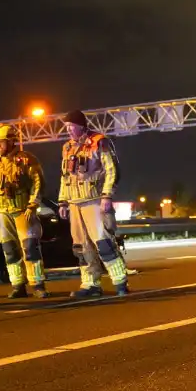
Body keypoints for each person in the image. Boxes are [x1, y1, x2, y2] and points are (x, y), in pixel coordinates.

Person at [58, 109, 129, 297]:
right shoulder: (67, 148)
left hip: (94, 200)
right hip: (75, 203)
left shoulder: (99, 142)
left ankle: (120, 281)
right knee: (81, 247)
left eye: (72, 126)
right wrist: (63, 202)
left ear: (81, 125)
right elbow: (65, 177)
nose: (69, 130)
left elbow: (112, 170)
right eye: (67, 127)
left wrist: (107, 196)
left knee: (103, 242)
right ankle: (90, 284)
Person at [0, 123, 49, 299]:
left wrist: (32, 204)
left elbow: (38, 182)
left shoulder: (27, 159)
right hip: (2, 212)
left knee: (30, 247)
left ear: (11, 141)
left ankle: (37, 284)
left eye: (1, 142)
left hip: (22, 210)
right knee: (9, 249)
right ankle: (18, 285)